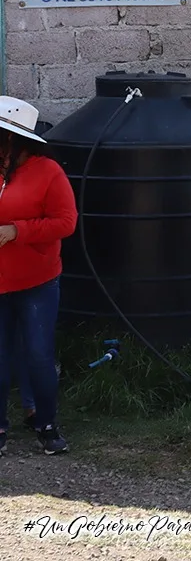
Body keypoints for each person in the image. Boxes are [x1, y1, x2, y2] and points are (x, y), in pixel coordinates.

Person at [0, 96, 77, 456]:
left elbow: (66, 222)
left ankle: (46, 425)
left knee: (38, 354)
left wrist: (17, 231)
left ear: (15, 140)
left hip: (37, 281)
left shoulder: (48, 172)